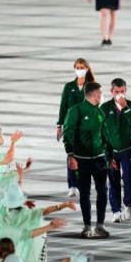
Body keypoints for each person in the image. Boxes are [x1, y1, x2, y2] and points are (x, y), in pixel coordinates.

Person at [63, 82, 113, 238]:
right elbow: (68, 133)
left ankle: (100, 225)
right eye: (99, 93)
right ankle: (87, 226)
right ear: (94, 94)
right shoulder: (76, 111)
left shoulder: (100, 112)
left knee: (102, 192)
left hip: (99, 159)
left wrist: (110, 156)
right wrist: (71, 155)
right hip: (81, 159)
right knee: (84, 193)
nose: (101, 96)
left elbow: (105, 136)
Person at [100, 78, 131, 223]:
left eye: (122, 91)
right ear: (112, 92)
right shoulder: (105, 108)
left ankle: (127, 204)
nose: (119, 94)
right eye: (117, 92)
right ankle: (116, 210)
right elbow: (101, 131)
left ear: (125, 91)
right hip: (111, 151)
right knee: (113, 180)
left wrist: (126, 108)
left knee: (129, 178)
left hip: (127, 149)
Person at [57, 58, 96, 198]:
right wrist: (59, 125)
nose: (79, 70)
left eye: (81, 67)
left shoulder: (91, 86)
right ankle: (72, 185)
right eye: (77, 67)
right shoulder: (69, 87)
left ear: (86, 69)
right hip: (70, 126)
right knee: (71, 155)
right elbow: (63, 106)